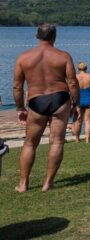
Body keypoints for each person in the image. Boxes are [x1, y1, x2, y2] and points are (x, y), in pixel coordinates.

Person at [13, 24, 80, 192]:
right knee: (57, 141)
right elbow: (72, 82)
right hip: (59, 98)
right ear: (54, 37)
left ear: (37, 36)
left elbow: (17, 87)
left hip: (36, 101)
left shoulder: (23, 57)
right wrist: (76, 104)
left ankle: (22, 185)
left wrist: (20, 108)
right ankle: (48, 183)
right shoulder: (63, 56)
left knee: (29, 143)